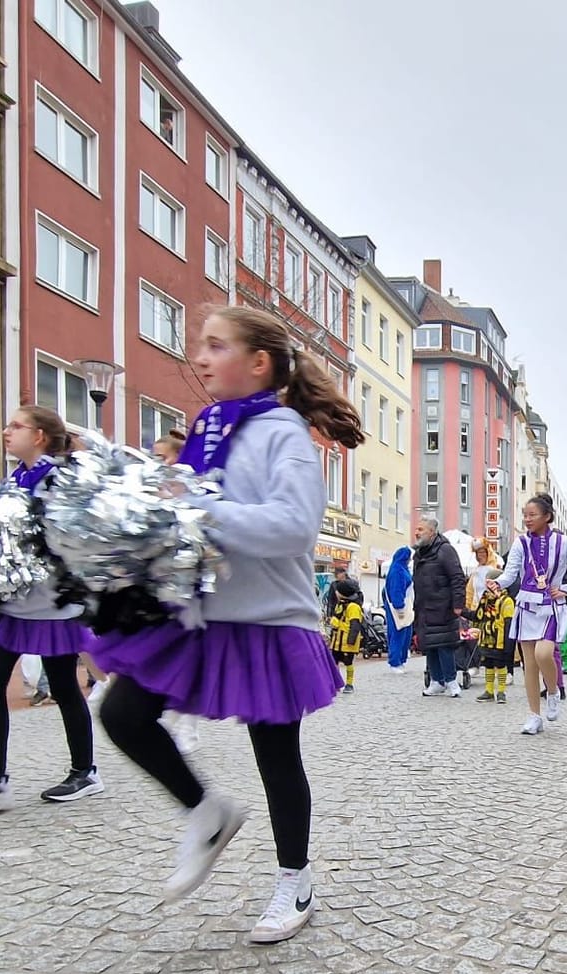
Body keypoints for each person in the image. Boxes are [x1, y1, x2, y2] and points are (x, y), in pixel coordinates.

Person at [90, 304, 356, 941]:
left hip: (267, 620)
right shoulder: (208, 427)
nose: (201, 358)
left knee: (276, 756)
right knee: (123, 713)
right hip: (200, 615)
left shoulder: (283, 432)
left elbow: (294, 527)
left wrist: (198, 511)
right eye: (200, 346)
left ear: (257, 363)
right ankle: (206, 811)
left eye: (215, 346)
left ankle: (296, 880)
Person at [0, 405, 102, 812]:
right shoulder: (15, 479)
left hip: (51, 604)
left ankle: (85, 771)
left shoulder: (61, 479)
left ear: (38, 436)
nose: (6, 431)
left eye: (16, 426)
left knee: (64, 684)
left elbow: (73, 534)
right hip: (12, 603)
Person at [492, 494, 567, 735]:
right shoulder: (520, 543)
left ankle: (553, 691)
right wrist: (498, 584)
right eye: (525, 515)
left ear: (547, 516)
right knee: (529, 665)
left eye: (532, 515)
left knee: (544, 653)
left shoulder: (563, 543)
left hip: (551, 606)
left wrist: (566, 589)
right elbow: (510, 573)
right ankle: (534, 715)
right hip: (526, 606)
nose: (527, 520)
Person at [410, 514, 467, 698]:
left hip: (443, 607)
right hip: (424, 608)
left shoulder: (445, 550)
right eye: (417, 529)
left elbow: (457, 578)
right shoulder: (420, 553)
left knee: (444, 645)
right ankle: (436, 681)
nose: (416, 532)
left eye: (421, 530)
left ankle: (451, 681)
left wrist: (458, 604)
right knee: (430, 645)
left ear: (432, 532)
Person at [474, 578, 516, 704]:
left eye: (491, 582)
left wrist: (509, 643)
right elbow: (477, 616)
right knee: (488, 664)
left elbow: (509, 623)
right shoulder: (485, 599)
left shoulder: (507, 601)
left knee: (501, 665)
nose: (488, 585)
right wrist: (462, 612)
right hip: (486, 638)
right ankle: (489, 690)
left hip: (499, 640)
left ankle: (501, 691)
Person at [326, 577, 364, 695]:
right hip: (337, 641)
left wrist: (351, 640)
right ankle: (335, 683)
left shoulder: (354, 607)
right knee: (333, 662)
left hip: (347, 641)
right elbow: (337, 617)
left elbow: (355, 625)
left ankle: (349, 683)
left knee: (348, 663)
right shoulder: (340, 605)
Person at [383, 546, 414, 671]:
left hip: (406, 605)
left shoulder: (401, 568)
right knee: (398, 633)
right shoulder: (397, 570)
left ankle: (400, 659)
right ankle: (394, 661)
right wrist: (399, 605)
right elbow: (396, 589)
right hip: (399, 607)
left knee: (405, 633)